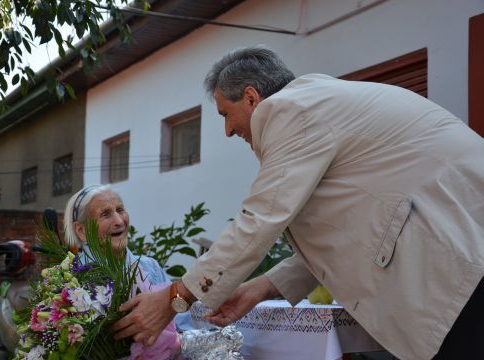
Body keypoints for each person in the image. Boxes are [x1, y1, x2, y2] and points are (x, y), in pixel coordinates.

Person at [112, 46, 484, 360]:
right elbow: (351, 230)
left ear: (252, 97)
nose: (227, 131)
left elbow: (259, 221)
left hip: (457, 267)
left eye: (226, 114)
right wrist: (258, 289)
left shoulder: (289, 110)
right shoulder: (318, 105)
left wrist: (174, 299)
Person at [64, 184, 181, 359]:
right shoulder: (70, 280)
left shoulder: (150, 267)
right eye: (105, 214)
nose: (119, 221)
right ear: (82, 231)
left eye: (120, 210)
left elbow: (181, 323)